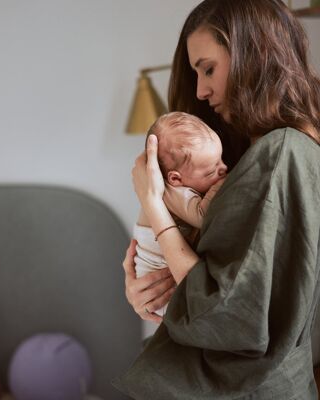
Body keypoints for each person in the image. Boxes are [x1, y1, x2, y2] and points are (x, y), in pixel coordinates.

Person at [113, 0, 320, 398]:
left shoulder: (280, 155)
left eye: (208, 68)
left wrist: (155, 206)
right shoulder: (257, 153)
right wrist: (145, 290)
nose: (201, 90)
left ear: (254, 54)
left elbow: (226, 315)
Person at [134, 111, 227, 316]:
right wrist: (221, 184)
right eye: (211, 172)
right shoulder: (172, 192)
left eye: (221, 160)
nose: (224, 168)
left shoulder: (177, 183)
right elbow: (203, 217)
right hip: (157, 281)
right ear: (175, 178)